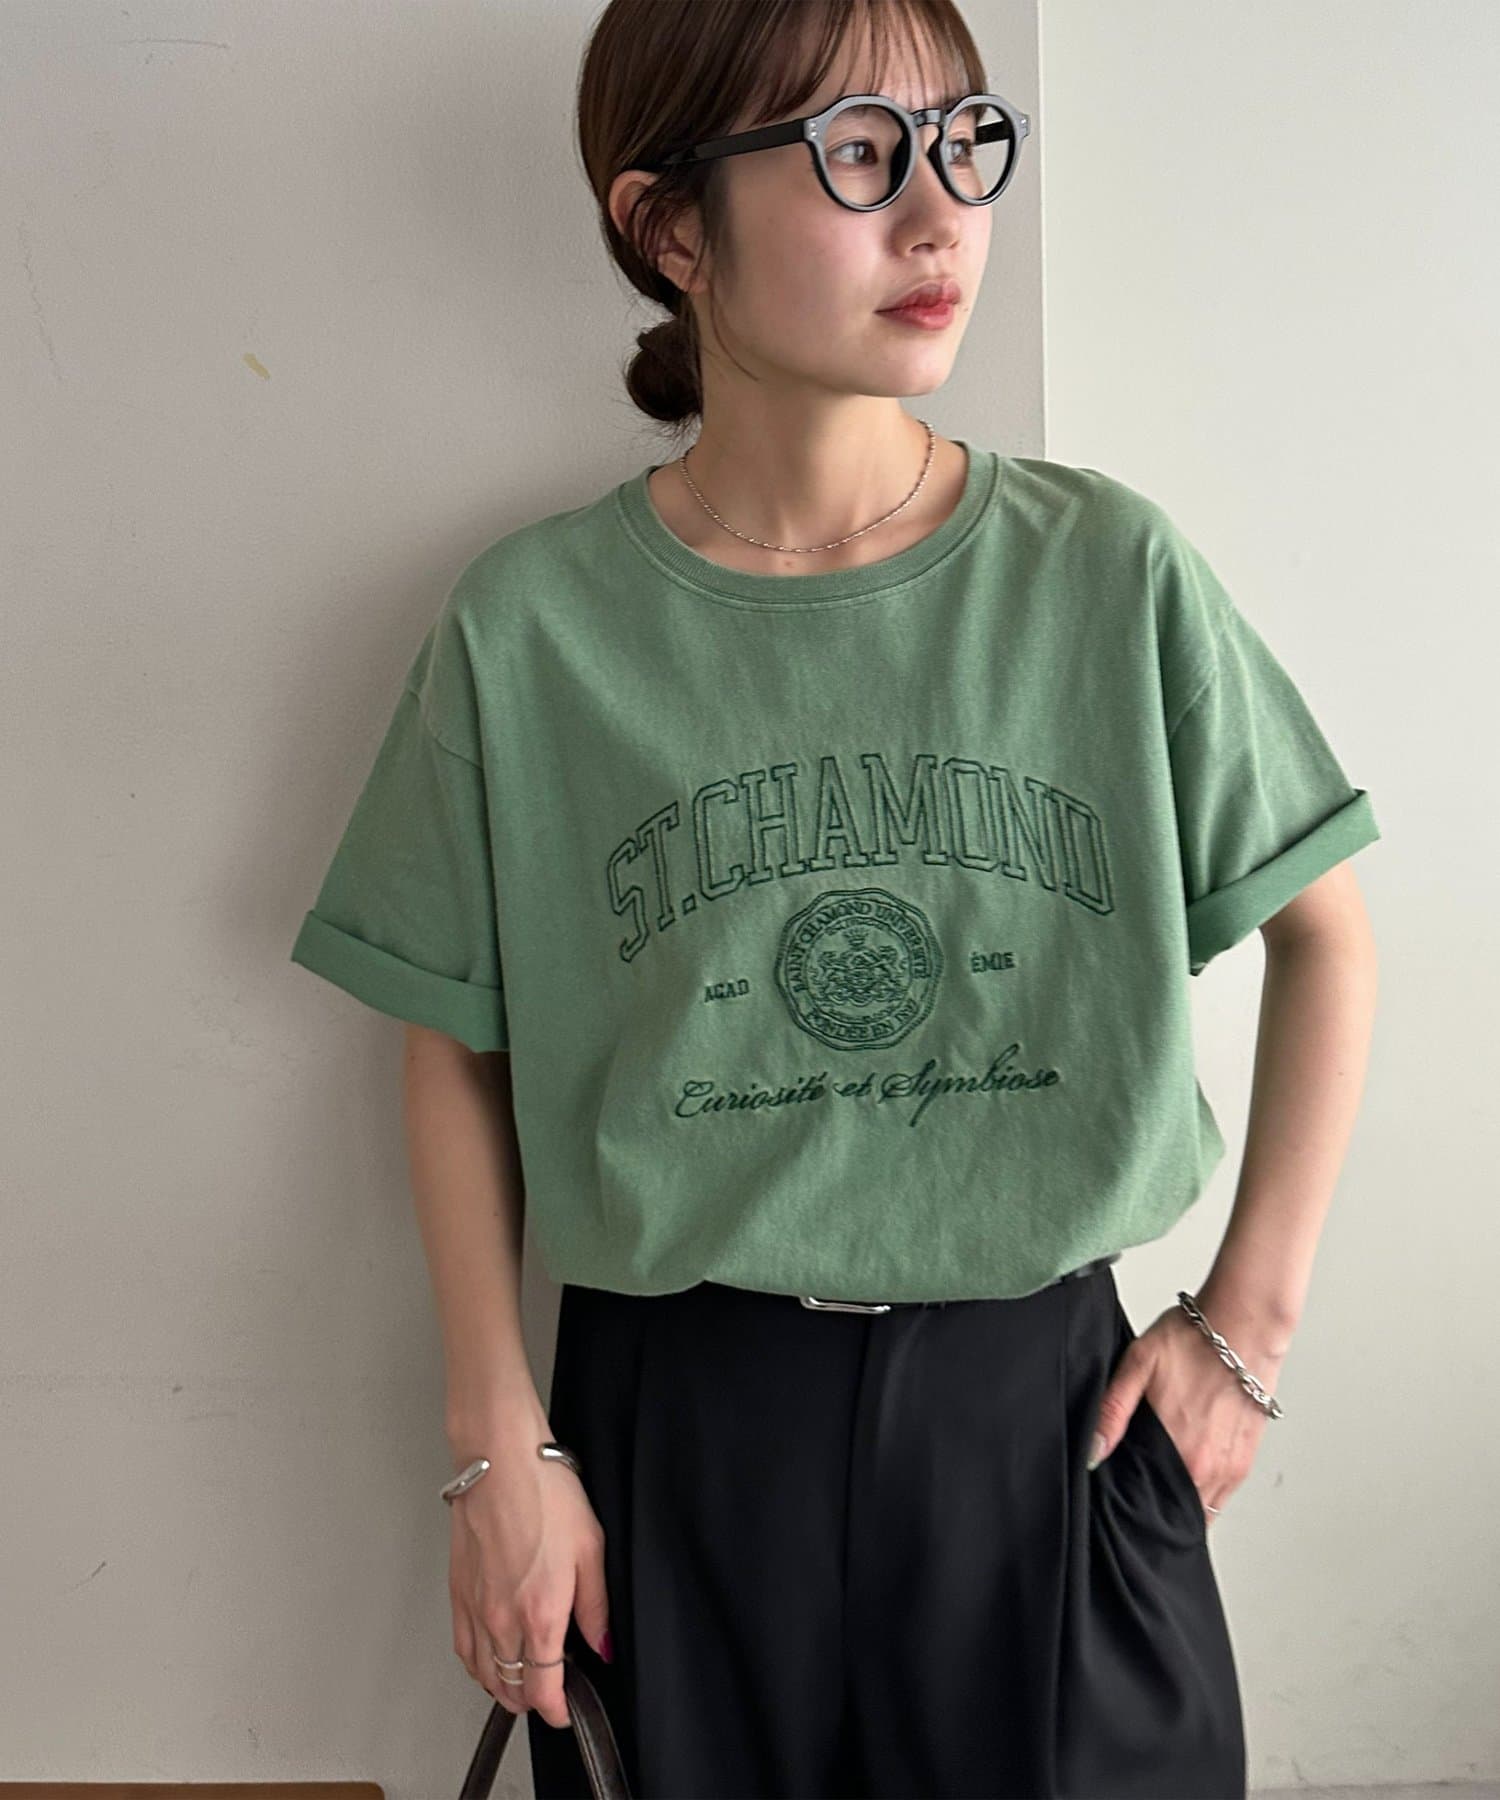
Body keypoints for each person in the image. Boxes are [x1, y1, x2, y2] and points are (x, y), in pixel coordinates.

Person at [287, 2, 1382, 1795]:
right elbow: (454, 1043)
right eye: (860, 154)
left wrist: (1243, 1337)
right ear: (670, 227)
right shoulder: (533, 630)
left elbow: (1324, 930)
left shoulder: (1104, 575)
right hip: (677, 1444)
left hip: (1051, 1432)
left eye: (965, 144)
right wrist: (499, 1447)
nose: (942, 216)